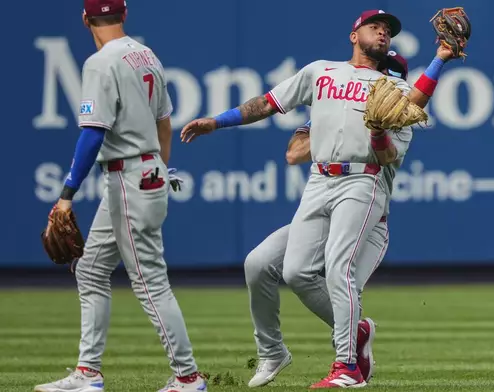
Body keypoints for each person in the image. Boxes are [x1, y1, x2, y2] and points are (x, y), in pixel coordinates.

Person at [181, 9, 455, 388]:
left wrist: (440, 59)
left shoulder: (397, 105)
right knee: (281, 269)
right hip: (320, 181)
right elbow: (269, 108)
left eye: (388, 33)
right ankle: (304, 345)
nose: (383, 33)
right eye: (375, 27)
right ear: (353, 35)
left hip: (363, 184)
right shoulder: (321, 72)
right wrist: (217, 121)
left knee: (338, 270)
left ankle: (347, 368)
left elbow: (393, 143)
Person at [34, 1, 206, 391]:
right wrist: (161, 169)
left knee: (150, 283)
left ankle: (188, 377)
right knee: (91, 268)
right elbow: (165, 122)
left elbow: (93, 132)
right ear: (124, 15)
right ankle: (88, 373)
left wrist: (66, 195)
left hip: (128, 177)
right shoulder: (146, 55)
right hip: (143, 172)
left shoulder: (100, 62)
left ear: (85, 19)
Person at [244, 53, 409, 388]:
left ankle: (347, 362)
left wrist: (365, 128)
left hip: (365, 219)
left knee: (338, 278)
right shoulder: (340, 97)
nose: (377, 84)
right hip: (324, 206)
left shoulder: (399, 117)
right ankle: (274, 350)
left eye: (387, 78)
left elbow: (386, 154)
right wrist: (332, 123)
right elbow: (293, 152)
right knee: (258, 263)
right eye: (378, 72)